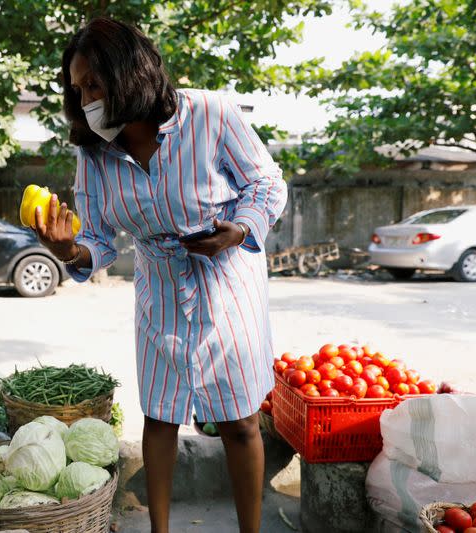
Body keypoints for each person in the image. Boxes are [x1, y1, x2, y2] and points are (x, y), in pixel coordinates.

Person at [35, 17, 287, 533]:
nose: (85, 99)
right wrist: (68, 251)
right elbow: (99, 240)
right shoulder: (94, 152)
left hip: (227, 283)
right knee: (160, 415)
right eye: (77, 88)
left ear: (128, 73)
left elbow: (266, 184)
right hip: (160, 290)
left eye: (94, 84)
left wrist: (238, 231)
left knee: (240, 422)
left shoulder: (211, 114)